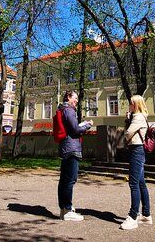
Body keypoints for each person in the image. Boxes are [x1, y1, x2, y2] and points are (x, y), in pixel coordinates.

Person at [57, 90, 93, 221]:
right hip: (71, 148)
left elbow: (71, 127)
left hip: (66, 147)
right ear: (68, 97)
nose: (77, 100)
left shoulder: (63, 109)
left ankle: (64, 209)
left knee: (64, 180)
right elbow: (75, 129)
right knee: (70, 180)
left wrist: (80, 125)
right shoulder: (69, 110)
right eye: (75, 98)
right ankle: (67, 209)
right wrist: (87, 125)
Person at [120, 95, 152, 230]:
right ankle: (146, 215)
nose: (129, 105)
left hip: (136, 150)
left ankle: (133, 217)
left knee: (133, 184)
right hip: (138, 150)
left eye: (131, 103)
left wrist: (128, 121)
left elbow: (127, 133)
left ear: (136, 104)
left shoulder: (138, 117)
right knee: (141, 183)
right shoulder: (139, 116)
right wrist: (128, 119)